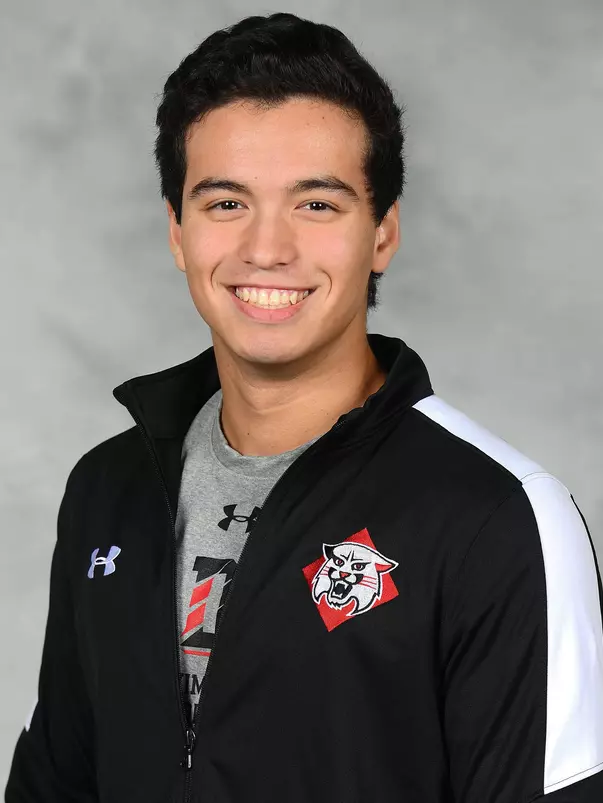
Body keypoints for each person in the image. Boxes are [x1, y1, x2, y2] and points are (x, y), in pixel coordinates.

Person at [6, 11, 603, 803]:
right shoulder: (108, 491)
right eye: (225, 204)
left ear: (382, 232)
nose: (266, 248)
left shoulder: (498, 517)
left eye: (316, 205)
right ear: (177, 232)